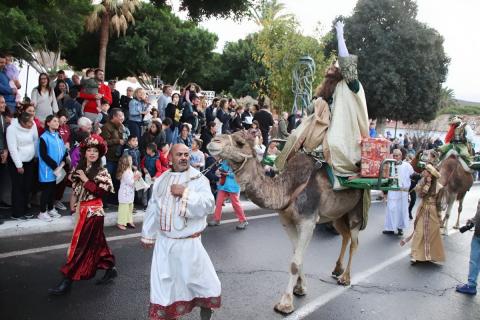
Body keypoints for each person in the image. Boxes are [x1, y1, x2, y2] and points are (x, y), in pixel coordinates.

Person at [141, 143, 220, 320]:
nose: (184, 157)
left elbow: (209, 205)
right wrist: (148, 234)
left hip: (189, 244)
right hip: (164, 244)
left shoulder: (199, 179)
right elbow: (153, 207)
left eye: (186, 154)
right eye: (179, 155)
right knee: (164, 285)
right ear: (170, 158)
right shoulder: (161, 180)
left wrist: (186, 193)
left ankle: (206, 315)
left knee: (201, 283)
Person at [49, 134, 116, 295]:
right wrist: (69, 174)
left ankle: (67, 280)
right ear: (84, 152)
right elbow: (72, 187)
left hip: (94, 213)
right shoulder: (79, 169)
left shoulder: (102, 171)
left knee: (80, 246)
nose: (92, 153)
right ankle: (110, 268)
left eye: (95, 151)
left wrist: (86, 180)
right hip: (82, 210)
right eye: (89, 150)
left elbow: (103, 192)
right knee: (97, 243)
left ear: (99, 154)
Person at [320, 21, 369, 177]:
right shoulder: (331, 88)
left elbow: (345, 59)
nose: (333, 68)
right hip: (326, 130)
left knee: (333, 144)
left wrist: (340, 35)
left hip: (345, 138)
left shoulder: (351, 84)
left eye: (337, 67)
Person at [405, 164, 445, 264]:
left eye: (426, 171)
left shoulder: (439, 187)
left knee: (432, 233)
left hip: (432, 212)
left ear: (431, 175)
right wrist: (426, 184)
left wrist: (440, 218)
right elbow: (421, 194)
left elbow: (439, 204)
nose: (424, 173)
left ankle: (429, 255)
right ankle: (414, 254)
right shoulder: (422, 183)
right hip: (423, 209)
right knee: (419, 232)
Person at [6, 112, 38, 220]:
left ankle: (24, 209)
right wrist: (19, 165)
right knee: (18, 187)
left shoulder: (32, 124)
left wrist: (35, 155)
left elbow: (35, 140)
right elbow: (12, 148)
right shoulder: (12, 129)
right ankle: (17, 213)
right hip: (17, 162)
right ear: (22, 123)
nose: (32, 124)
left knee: (27, 186)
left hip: (29, 161)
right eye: (29, 123)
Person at [38, 115, 68, 222]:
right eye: (54, 121)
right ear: (48, 123)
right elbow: (43, 155)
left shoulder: (58, 135)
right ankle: (42, 212)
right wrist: (55, 166)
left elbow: (63, 150)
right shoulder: (44, 137)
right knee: (47, 190)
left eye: (57, 121)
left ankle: (50, 208)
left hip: (57, 168)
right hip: (48, 169)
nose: (57, 123)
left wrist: (64, 159)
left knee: (52, 190)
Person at [208, 159, 248, 230]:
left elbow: (239, 174)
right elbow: (222, 168)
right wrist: (220, 170)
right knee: (218, 202)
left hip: (233, 186)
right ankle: (216, 220)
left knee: (235, 204)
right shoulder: (225, 160)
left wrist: (227, 174)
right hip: (223, 185)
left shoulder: (238, 161)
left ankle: (243, 221)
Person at [383, 149, 414, 236]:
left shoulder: (407, 165)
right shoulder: (389, 165)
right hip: (392, 191)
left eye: (397, 155)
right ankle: (390, 228)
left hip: (403, 192)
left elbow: (413, 175)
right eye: (394, 156)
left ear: (401, 156)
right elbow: (385, 177)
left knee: (401, 210)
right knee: (391, 208)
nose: (396, 157)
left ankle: (400, 228)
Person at [456, 199, 480, 295]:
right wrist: (472, 221)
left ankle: (471, 285)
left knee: (474, 261)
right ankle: (471, 285)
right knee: (474, 261)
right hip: (477, 235)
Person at [140, 143, 167, 209]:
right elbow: (142, 164)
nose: (146, 150)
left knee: (151, 191)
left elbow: (159, 171)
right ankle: (145, 205)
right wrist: (144, 168)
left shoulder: (157, 159)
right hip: (146, 178)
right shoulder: (146, 157)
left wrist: (155, 177)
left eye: (147, 149)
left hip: (153, 179)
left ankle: (150, 204)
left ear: (151, 150)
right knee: (145, 191)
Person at [116, 154, 139, 230]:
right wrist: (136, 178)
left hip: (129, 193)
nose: (132, 161)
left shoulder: (129, 170)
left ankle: (129, 220)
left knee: (130, 208)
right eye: (130, 160)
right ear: (127, 162)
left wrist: (135, 175)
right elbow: (130, 182)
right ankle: (121, 222)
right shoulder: (126, 172)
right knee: (124, 209)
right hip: (124, 194)